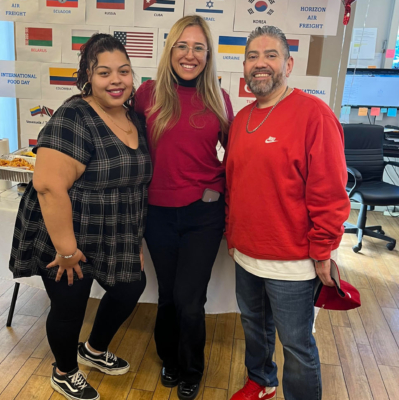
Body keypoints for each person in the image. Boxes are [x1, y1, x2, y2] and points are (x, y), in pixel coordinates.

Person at [10, 33, 152, 400]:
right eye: (105, 72)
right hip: (65, 231)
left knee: (131, 286)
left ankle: (92, 350)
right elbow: (47, 186)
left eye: (124, 71)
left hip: (114, 231)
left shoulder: (135, 118)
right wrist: (68, 250)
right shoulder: (73, 115)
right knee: (70, 305)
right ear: (88, 75)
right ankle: (64, 371)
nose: (116, 80)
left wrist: (133, 241)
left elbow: (135, 187)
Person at [225, 26, 350, 400]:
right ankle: (262, 381)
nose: (260, 64)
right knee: (253, 327)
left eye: (271, 55)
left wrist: (324, 249)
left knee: (296, 344)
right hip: (246, 253)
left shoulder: (314, 115)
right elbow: (234, 183)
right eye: (252, 56)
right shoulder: (241, 119)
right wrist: (233, 234)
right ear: (244, 66)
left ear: (288, 64)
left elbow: (329, 190)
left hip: (293, 260)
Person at [134, 15, 234, 400]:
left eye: (198, 48)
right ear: (170, 49)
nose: (189, 55)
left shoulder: (218, 98)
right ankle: (169, 360)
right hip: (156, 213)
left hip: (202, 215)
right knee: (169, 296)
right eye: (182, 46)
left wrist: (216, 187)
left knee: (191, 299)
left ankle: (192, 368)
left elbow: (239, 155)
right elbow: (118, 135)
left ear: (208, 56)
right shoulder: (146, 94)